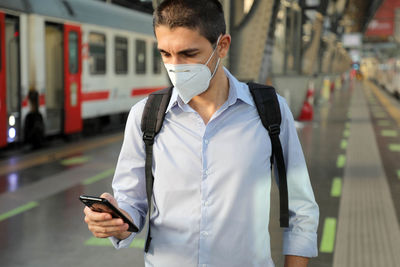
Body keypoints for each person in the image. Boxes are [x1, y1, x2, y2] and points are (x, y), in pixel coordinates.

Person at [83, 0, 319, 266]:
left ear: (222, 45)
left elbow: (300, 209)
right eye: (165, 53)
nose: (175, 66)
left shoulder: (270, 112)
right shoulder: (145, 116)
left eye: (189, 53)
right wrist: (115, 222)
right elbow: (132, 204)